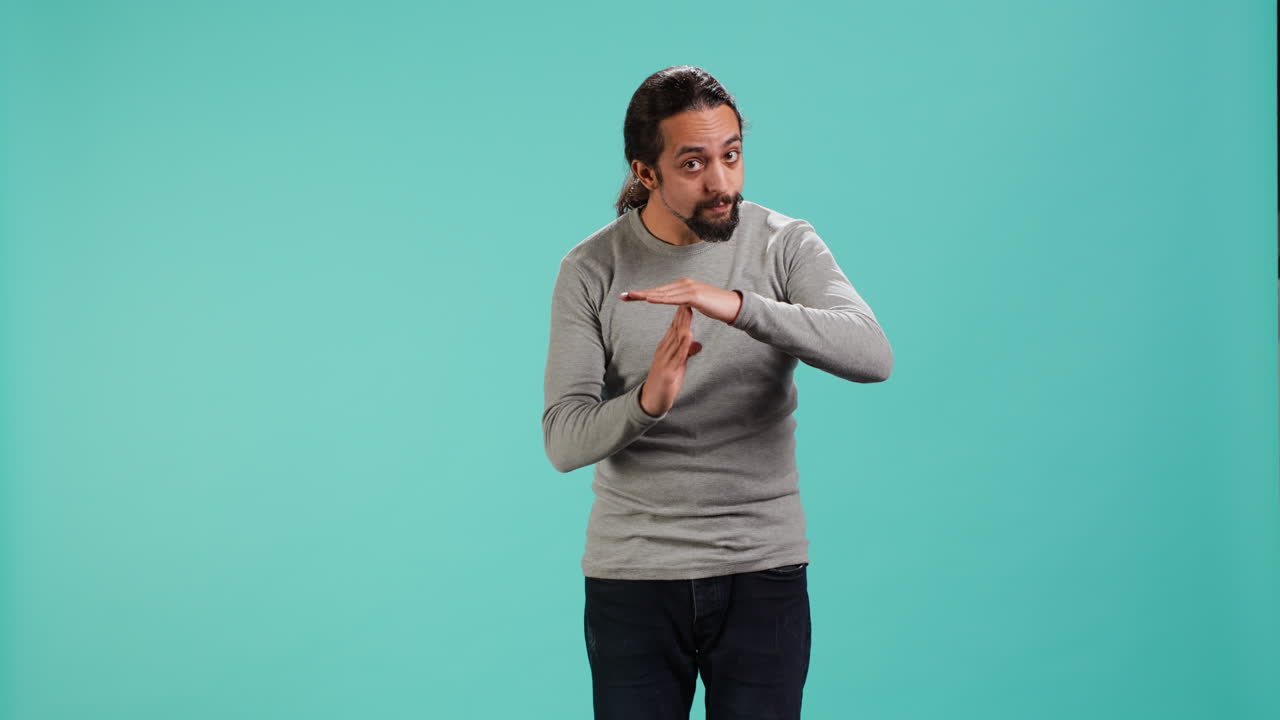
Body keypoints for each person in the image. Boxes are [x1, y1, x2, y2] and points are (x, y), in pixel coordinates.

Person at [541, 65, 894, 720]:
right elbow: (563, 440)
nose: (722, 182)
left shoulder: (783, 245)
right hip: (633, 580)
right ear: (646, 173)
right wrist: (648, 401)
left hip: (764, 573)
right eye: (695, 163)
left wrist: (738, 305)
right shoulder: (591, 269)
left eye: (731, 155)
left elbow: (872, 354)